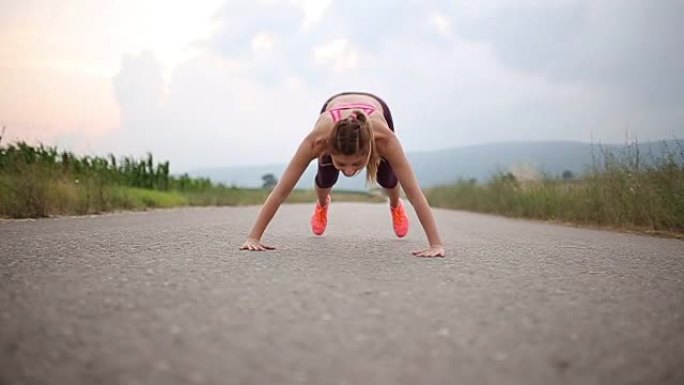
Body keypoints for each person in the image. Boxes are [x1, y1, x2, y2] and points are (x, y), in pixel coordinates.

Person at [240, 92, 445, 258]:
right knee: (326, 178)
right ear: (329, 149)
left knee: (388, 179)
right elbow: (281, 191)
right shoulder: (317, 141)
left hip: (376, 106)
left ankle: (395, 206)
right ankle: (322, 205)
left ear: (370, 150)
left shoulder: (384, 139)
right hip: (333, 106)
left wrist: (435, 244)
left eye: (357, 163)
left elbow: (415, 193)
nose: (349, 171)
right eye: (342, 163)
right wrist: (253, 238)